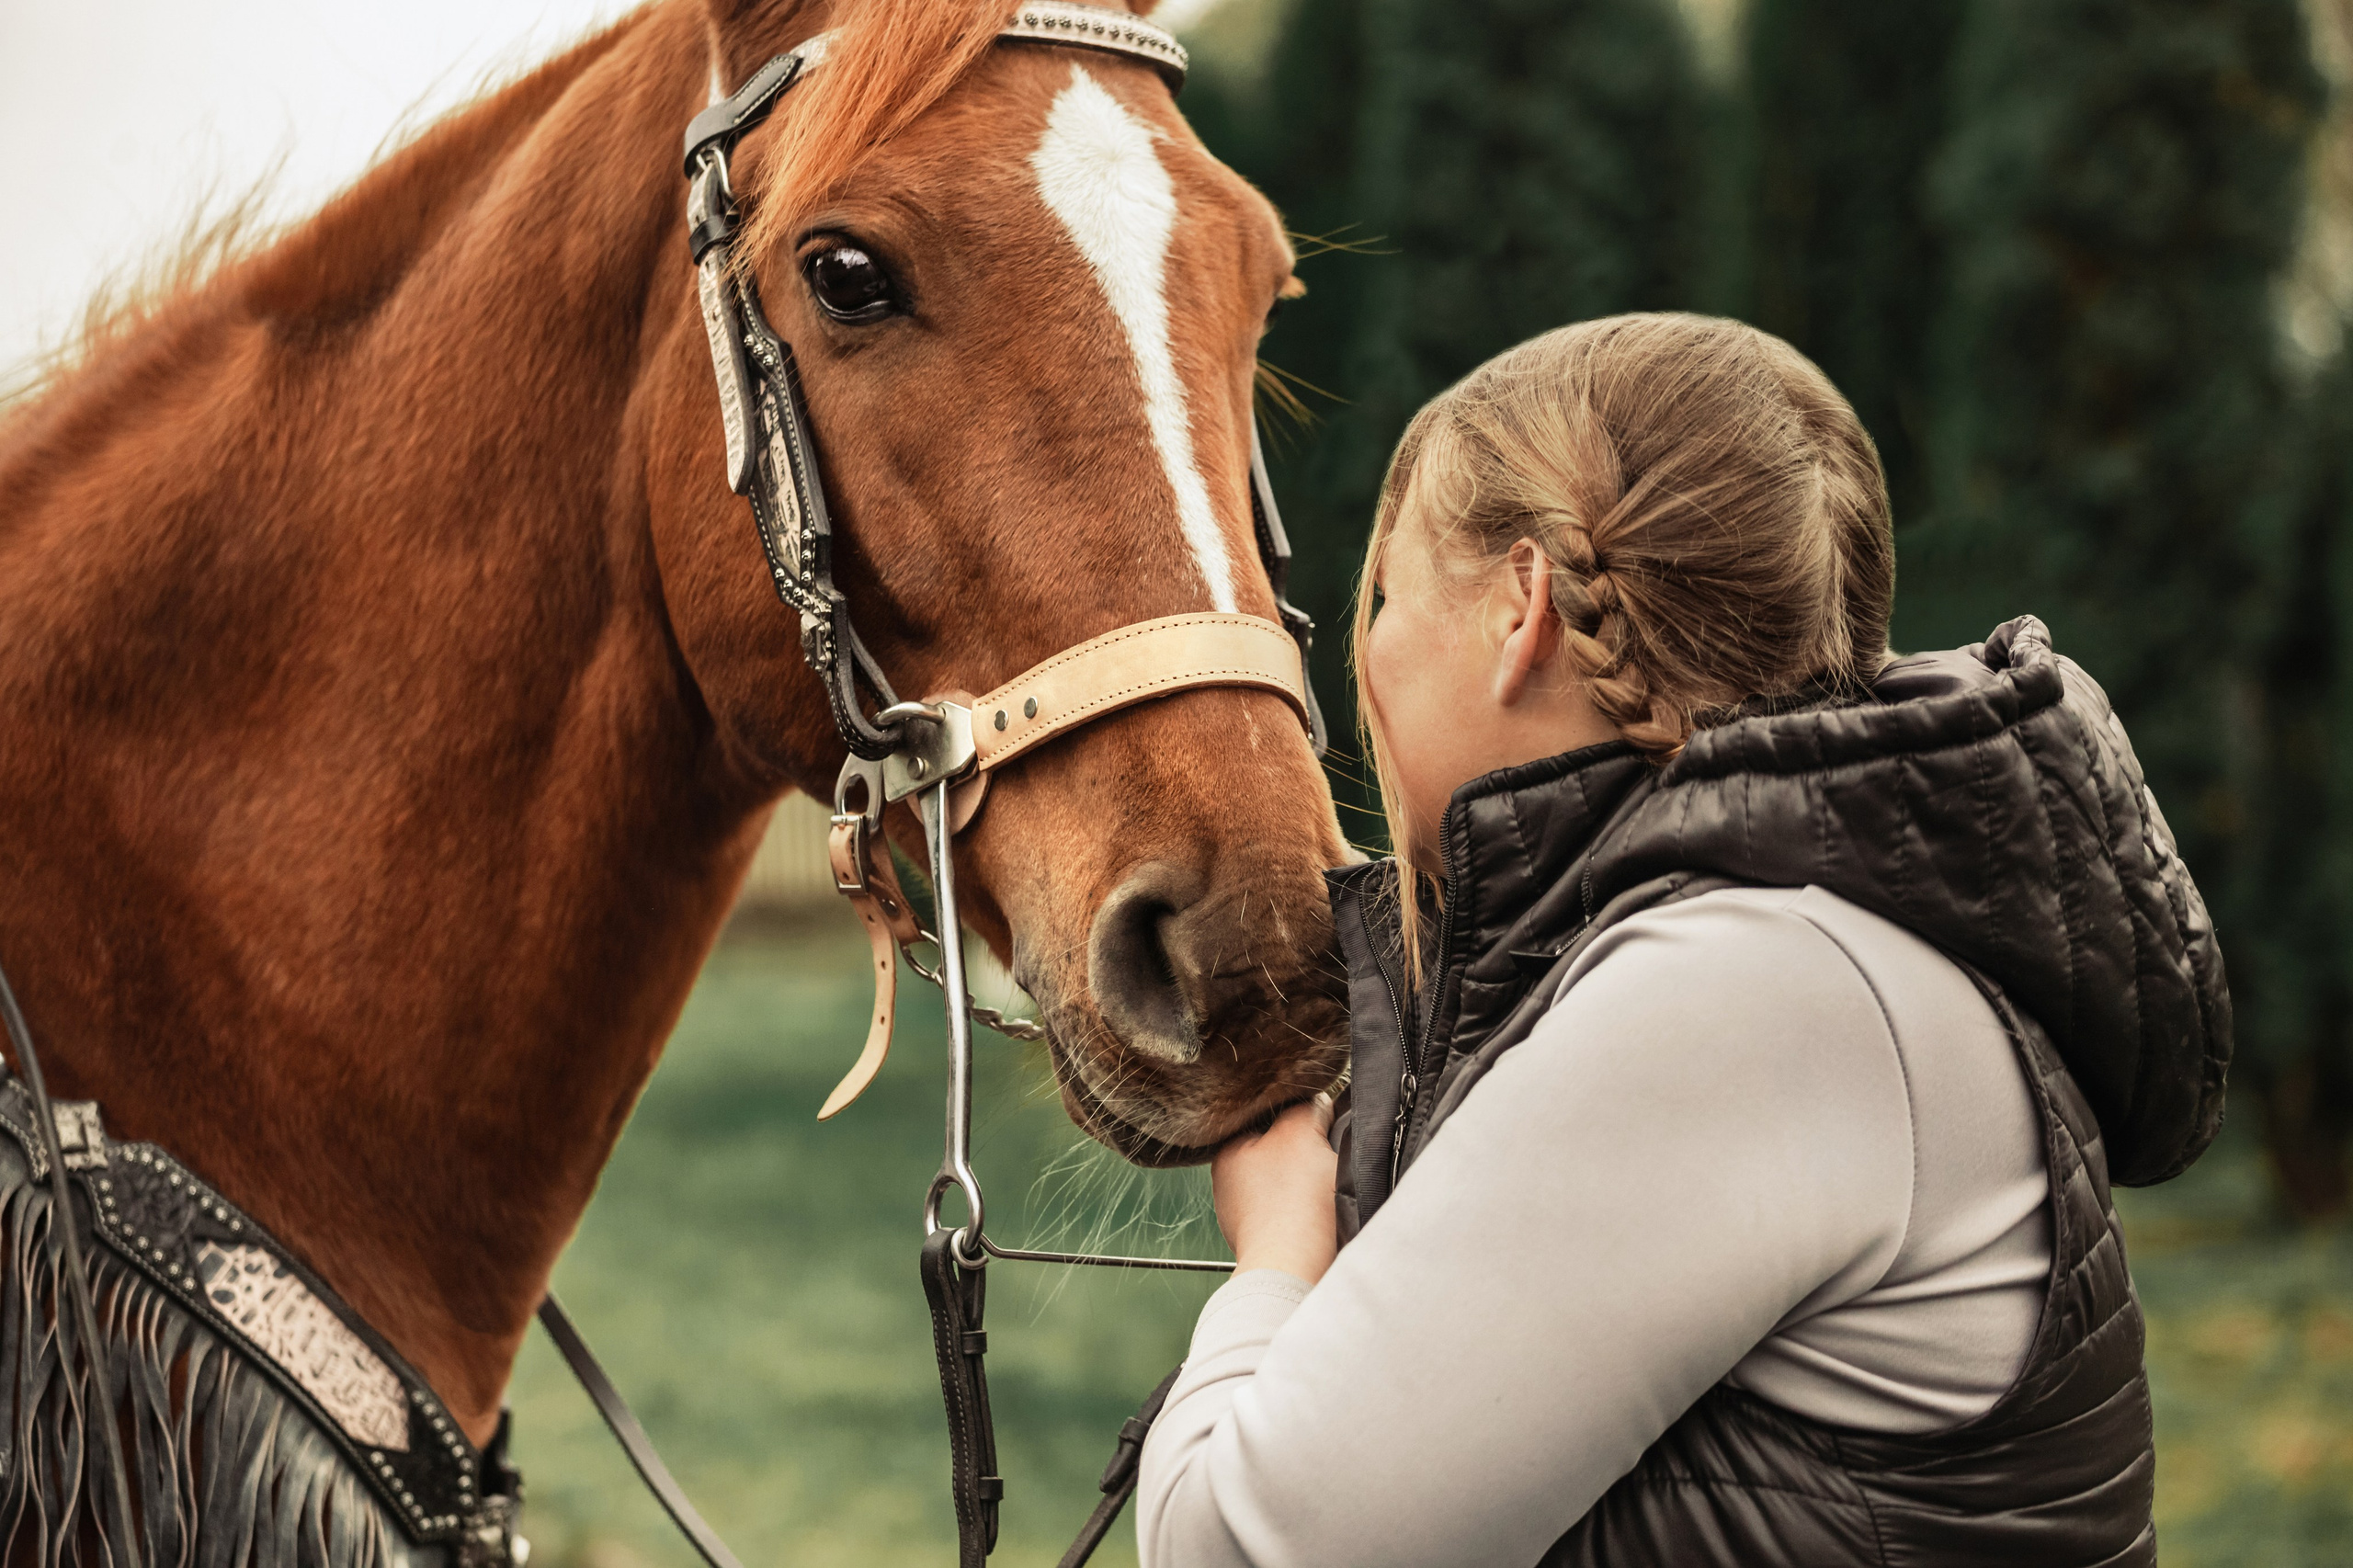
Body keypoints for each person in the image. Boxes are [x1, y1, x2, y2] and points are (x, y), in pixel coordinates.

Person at [1134, 313, 2228, 1567]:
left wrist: (1278, 1247)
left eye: (1385, 591)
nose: (1368, 651)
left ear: (1519, 608)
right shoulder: (1800, 946)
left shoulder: (1756, 990)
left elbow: (1244, 1548)